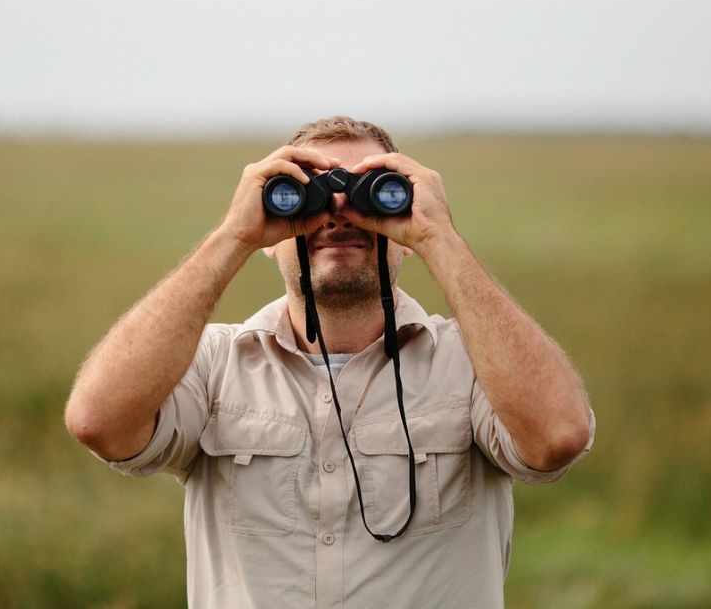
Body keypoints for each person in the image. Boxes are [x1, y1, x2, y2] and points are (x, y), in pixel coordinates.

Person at [64, 116, 595, 609]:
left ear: (404, 230)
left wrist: (441, 238)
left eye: (373, 191)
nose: (338, 215)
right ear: (273, 232)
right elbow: (99, 422)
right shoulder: (213, 365)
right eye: (308, 192)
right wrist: (233, 237)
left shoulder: (473, 362)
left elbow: (557, 439)